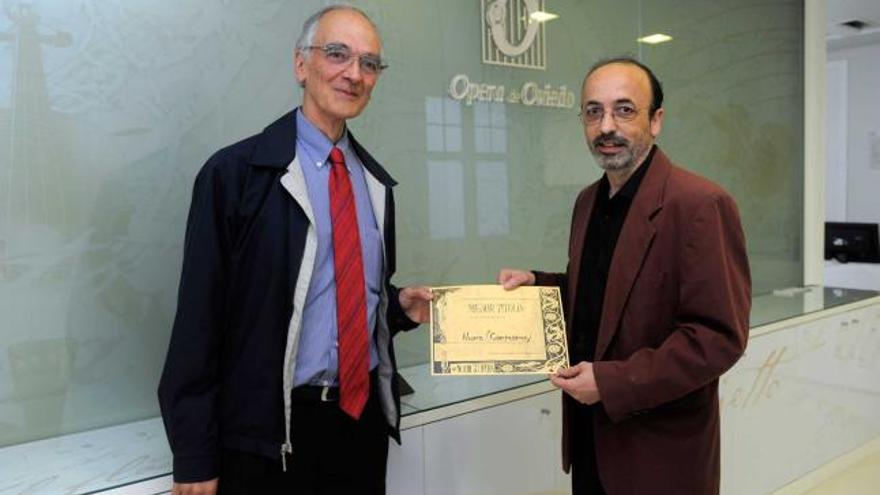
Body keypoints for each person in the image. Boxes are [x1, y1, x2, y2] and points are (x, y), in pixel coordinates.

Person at [158, 5, 431, 495]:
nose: (354, 74)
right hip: (270, 439)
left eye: (369, 64)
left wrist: (397, 307)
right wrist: (193, 452)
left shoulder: (376, 185)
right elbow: (200, 320)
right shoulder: (234, 176)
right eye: (337, 54)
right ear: (301, 65)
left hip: (361, 427)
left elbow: (334, 295)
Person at [498, 57, 751, 494]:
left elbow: (717, 338)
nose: (606, 126)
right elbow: (600, 293)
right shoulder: (587, 202)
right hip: (589, 439)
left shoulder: (701, 204)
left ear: (656, 121)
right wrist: (537, 286)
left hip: (658, 457)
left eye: (624, 110)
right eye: (593, 111)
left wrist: (611, 383)